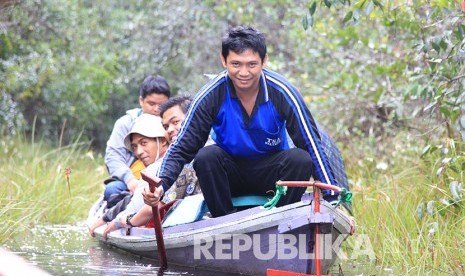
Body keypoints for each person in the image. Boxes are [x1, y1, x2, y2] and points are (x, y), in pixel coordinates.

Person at [143, 26, 345, 218]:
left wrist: (333, 196)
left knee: (300, 159)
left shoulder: (283, 92)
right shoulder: (210, 95)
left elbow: (311, 144)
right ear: (224, 60)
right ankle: (224, 220)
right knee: (206, 156)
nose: (244, 73)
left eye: (252, 64)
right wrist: (159, 186)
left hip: (273, 177)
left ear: (264, 61)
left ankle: (283, 218)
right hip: (230, 174)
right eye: (236, 64)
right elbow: (182, 147)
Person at [89, 113, 169, 237]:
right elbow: (133, 200)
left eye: (144, 143)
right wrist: (106, 218)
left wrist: (116, 222)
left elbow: (134, 207)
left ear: (163, 141)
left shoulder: (154, 170)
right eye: (135, 147)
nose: (139, 152)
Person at [103, 75, 170, 204]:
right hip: (131, 180)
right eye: (151, 103)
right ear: (141, 101)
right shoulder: (125, 124)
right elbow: (113, 157)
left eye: (162, 105)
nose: (156, 109)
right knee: (113, 190)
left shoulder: (171, 123)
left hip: (163, 178)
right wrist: (130, 180)